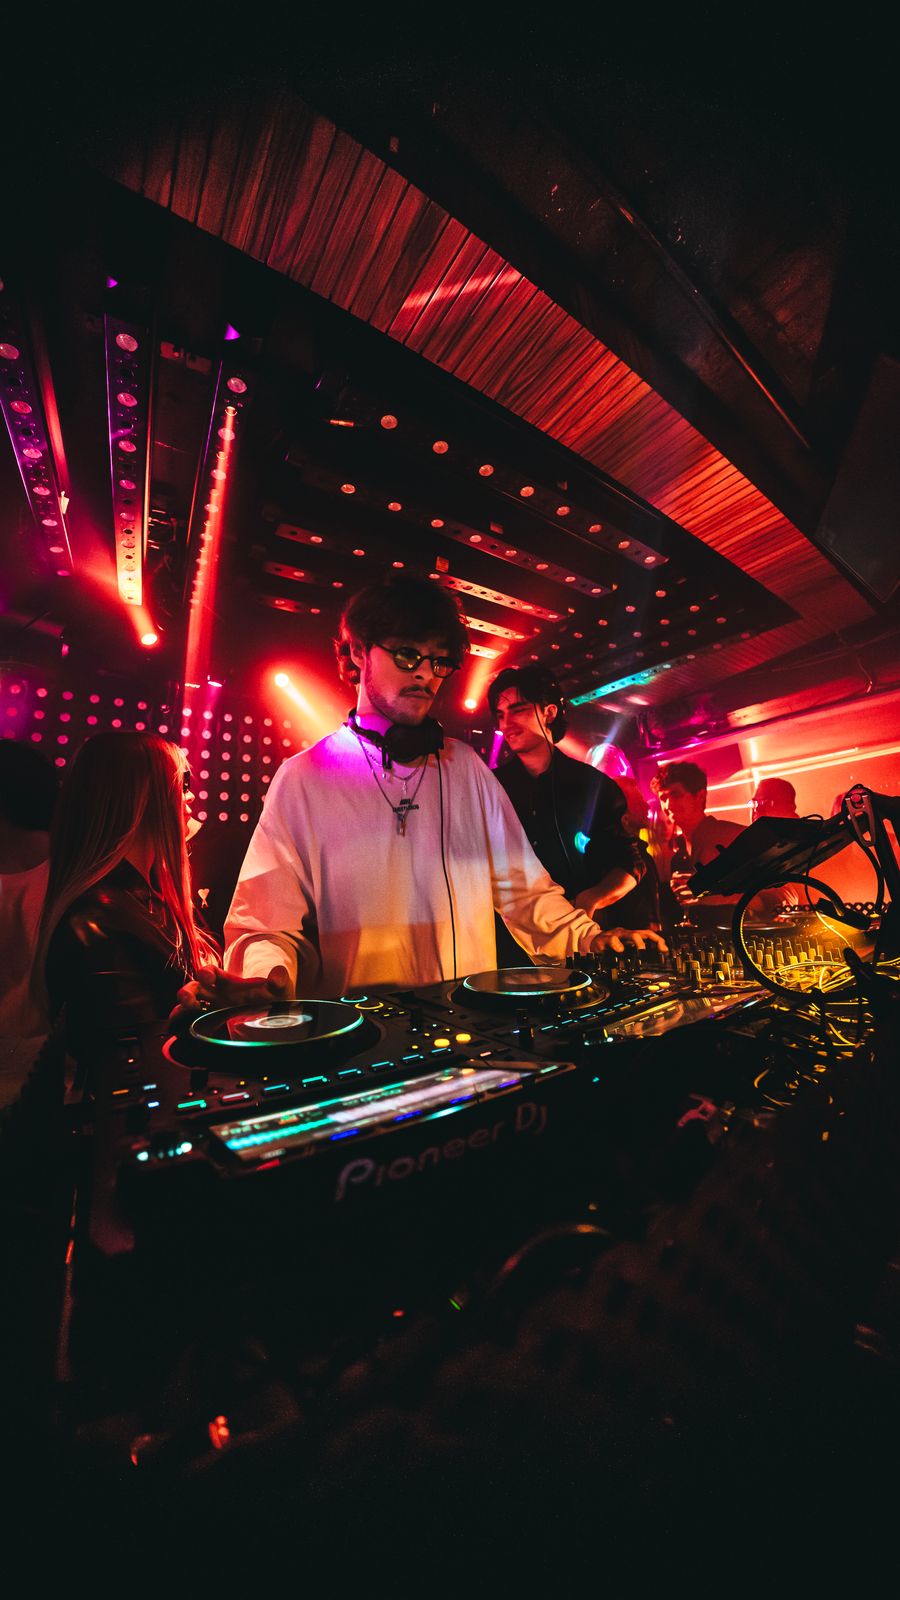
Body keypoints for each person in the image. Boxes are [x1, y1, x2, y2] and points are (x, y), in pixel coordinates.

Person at [195, 576, 664, 1009]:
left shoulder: (466, 769)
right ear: (357, 651)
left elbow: (526, 892)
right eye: (407, 655)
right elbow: (265, 925)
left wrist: (588, 938)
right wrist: (266, 975)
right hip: (361, 1043)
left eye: (439, 660)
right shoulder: (304, 778)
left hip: (472, 1033)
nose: (426, 675)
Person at [33, 732, 219, 1062]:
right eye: (182, 783)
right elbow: (128, 1061)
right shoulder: (96, 922)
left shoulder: (144, 904)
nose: (191, 796)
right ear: (140, 797)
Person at [486, 666, 658, 935]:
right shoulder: (490, 786)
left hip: (581, 937)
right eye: (500, 715)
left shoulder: (592, 785)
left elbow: (630, 862)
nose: (506, 724)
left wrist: (592, 899)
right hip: (513, 940)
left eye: (518, 710)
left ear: (549, 712)